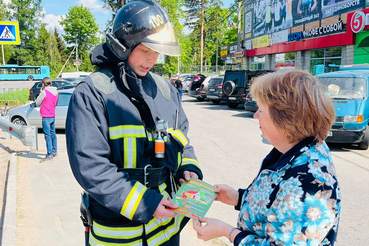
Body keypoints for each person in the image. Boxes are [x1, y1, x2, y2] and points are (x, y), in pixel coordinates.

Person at [65, 0, 203, 245]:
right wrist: (147, 203)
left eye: (157, 52)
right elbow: (91, 168)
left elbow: (182, 141)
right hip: (119, 233)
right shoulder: (92, 93)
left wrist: (188, 170)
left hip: (166, 229)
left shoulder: (166, 91)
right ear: (123, 46)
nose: (153, 59)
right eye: (146, 50)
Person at [193, 70, 341, 245]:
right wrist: (239, 198)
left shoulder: (309, 181)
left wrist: (227, 231)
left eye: (261, 110)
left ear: (285, 119)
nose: (255, 115)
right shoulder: (293, 148)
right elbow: (277, 200)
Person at [36, 77, 59, 163]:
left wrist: (41, 93)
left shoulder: (45, 92)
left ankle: (49, 154)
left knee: (47, 135)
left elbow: (38, 102)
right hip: (52, 114)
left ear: (43, 84)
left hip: (45, 115)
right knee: (53, 134)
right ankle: (54, 151)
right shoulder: (56, 92)